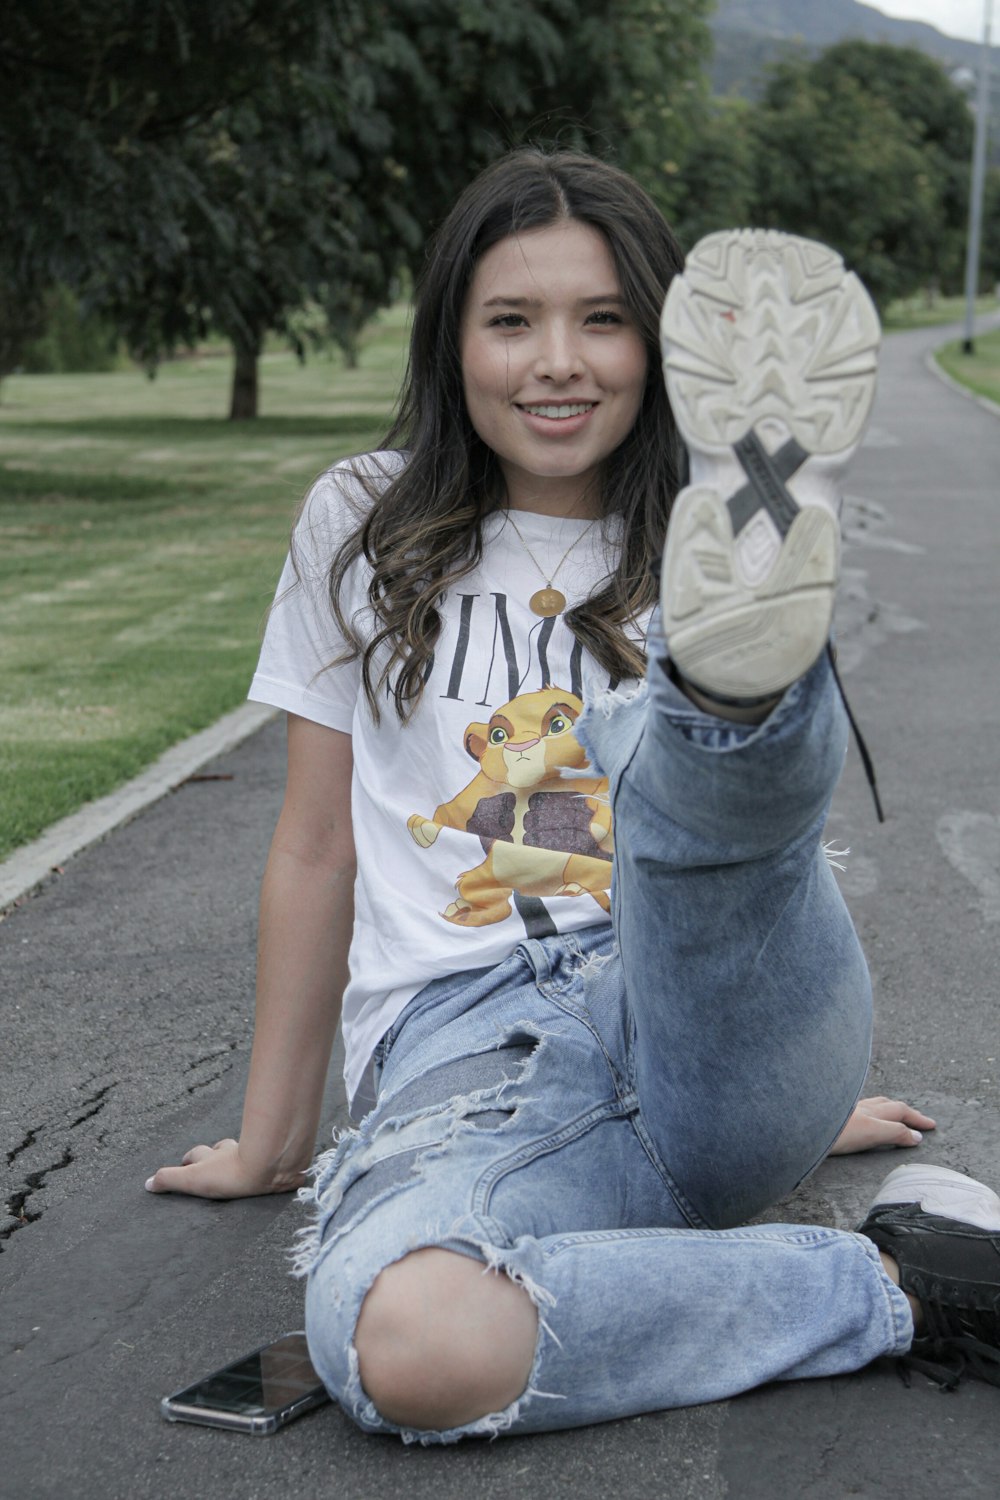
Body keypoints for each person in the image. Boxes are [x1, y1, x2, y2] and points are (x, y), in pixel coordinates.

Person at [147, 149, 1000, 1436]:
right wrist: (274, 1142)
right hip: (463, 1051)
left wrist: (791, 1085)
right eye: (512, 321)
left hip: (706, 980)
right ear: (452, 341)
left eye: (603, 319)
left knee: (689, 809)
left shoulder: (668, 531)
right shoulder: (362, 523)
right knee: (410, 1343)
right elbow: (318, 846)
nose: (559, 359)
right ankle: (903, 1279)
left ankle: (730, 665)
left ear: (658, 345)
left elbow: (771, 882)